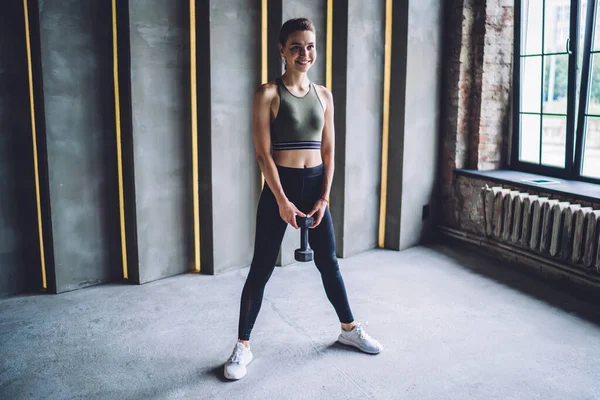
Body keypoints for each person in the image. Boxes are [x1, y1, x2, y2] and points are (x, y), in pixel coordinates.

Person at [224, 17, 382, 381]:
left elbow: (329, 151)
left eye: (310, 46)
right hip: (280, 187)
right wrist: (281, 200)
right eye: (296, 46)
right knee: (261, 268)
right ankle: (242, 347)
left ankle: (348, 330)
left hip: (314, 189)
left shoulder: (324, 95)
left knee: (328, 262)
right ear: (281, 50)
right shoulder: (267, 94)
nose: (304, 53)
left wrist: (324, 198)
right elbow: (263, 155)